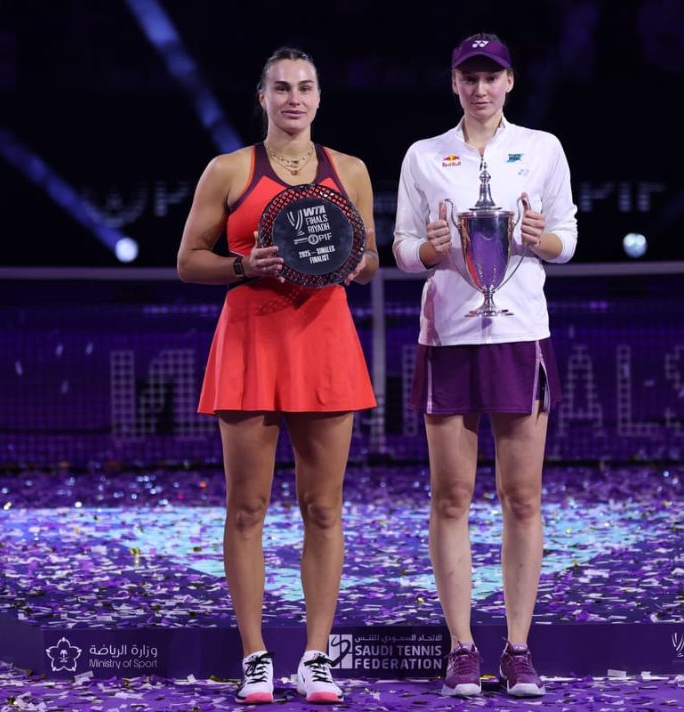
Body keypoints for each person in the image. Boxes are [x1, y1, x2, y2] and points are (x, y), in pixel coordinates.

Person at [177, 46, 378, 705]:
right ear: (262, 97)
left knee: (323, 508)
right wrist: (245, 266)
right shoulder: (228, 170)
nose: (295, 98)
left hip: (325, 345)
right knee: (247, 508)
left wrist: (353, 264)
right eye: (282, 88)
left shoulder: (350, 170)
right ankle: (255, 657)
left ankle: (316, 657)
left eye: (306, 87)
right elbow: (188, 261)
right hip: (251, 344)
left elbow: (370, 258)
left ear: (319, 97)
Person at [392, 32, 578, 698]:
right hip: (448, 338)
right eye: (468, 77)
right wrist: (430, 249)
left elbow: (567, 240)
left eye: (490, 77)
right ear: (454, 84)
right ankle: (463, 648)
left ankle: (519, 649)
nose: (479, 88)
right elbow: (402, 248)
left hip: (520, 335)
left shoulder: (543, 148)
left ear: (509, 82)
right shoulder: (424, 155)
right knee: (451, 498)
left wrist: (538, 237)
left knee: (522, 498)